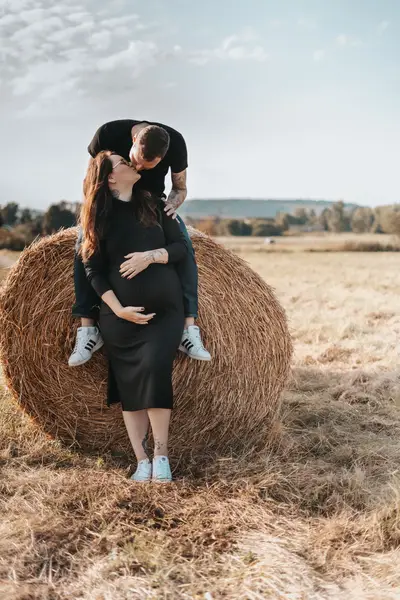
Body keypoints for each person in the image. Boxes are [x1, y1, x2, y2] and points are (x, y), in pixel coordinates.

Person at [81, 151, 188, 482]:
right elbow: (93, 269)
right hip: (120, 319)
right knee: (129, 388)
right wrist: (117, 310)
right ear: (111, 177)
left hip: (164, 314)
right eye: (123, 164)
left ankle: (161, 456)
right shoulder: (99, 218)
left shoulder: (154, 204)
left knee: (155, 372)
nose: (132, 164)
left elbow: (182, 248)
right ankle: (141, 460)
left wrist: (151, 257)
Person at [69, 119, 211, 367]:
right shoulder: (107, 134)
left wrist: (171, 206)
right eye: (134, 161)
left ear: (163, 157)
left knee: (185, 246)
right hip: (111, 203)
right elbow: (89, 178)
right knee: (84, 245)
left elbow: (180, 188)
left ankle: (189, 328)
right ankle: (88, 328)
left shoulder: (176, 144)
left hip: (151, 204)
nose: (138, 168)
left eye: (147, 166)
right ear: (133, 141)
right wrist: (94, 214)